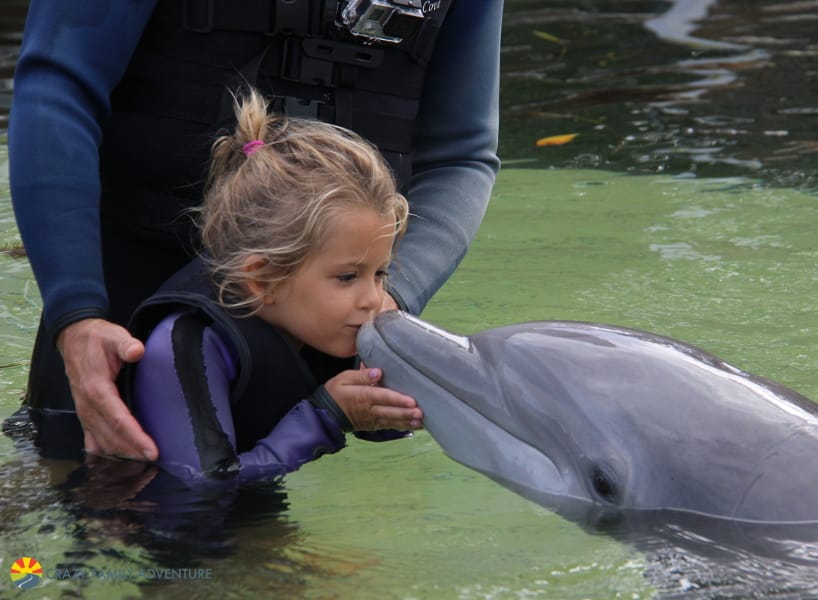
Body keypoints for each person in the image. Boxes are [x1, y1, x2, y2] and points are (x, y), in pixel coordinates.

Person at [6, 0, 502, 459]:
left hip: (321, 306)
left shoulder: (364, 298)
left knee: (246, 525)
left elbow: (461, 155)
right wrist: (78, 314)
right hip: (122, 304)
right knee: (97, 509)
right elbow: (58, 85)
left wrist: (393, 294)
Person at [126, 88, 420, 483]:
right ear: (263, 279)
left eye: (380, 273)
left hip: (249, 505)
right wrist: (329, 416)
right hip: (136, 522)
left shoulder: (323, 321)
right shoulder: (185, 344)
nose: (373, 299)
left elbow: (375, 422)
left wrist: (391, 397)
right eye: (348, 277)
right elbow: (200, 492)